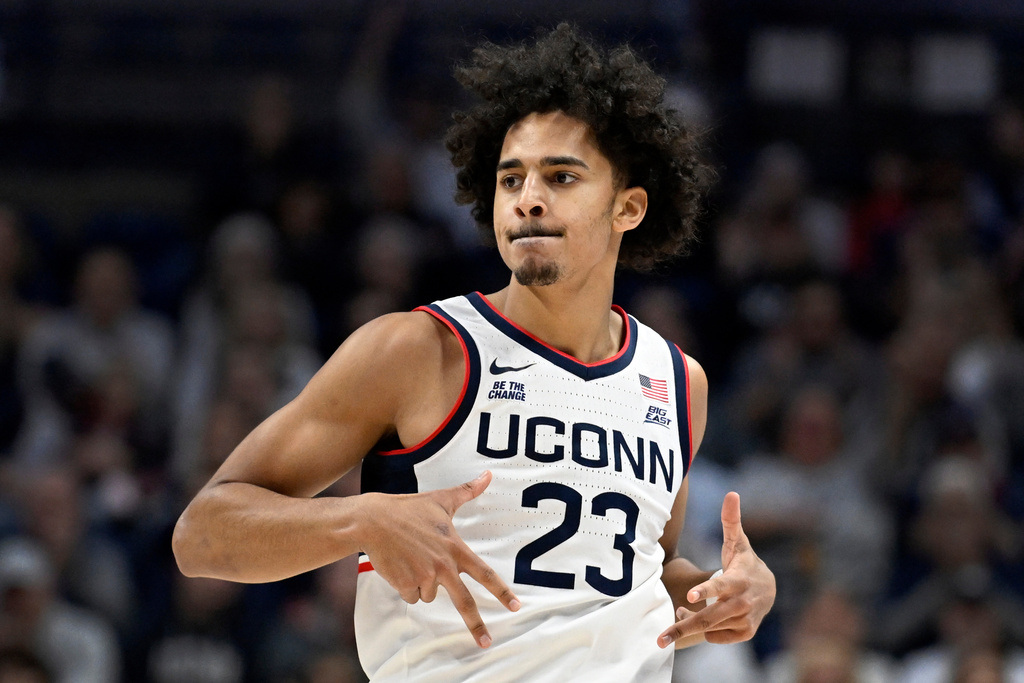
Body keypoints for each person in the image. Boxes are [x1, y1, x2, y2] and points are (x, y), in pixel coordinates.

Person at [173, 24, 776, 682]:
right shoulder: (419, 350)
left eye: (562, 176)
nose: (529, 198)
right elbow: (202, 535)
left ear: (627, 206)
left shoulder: (676, 380)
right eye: (510, 179)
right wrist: (360, 518)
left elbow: (640, 573)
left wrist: (723, 593)